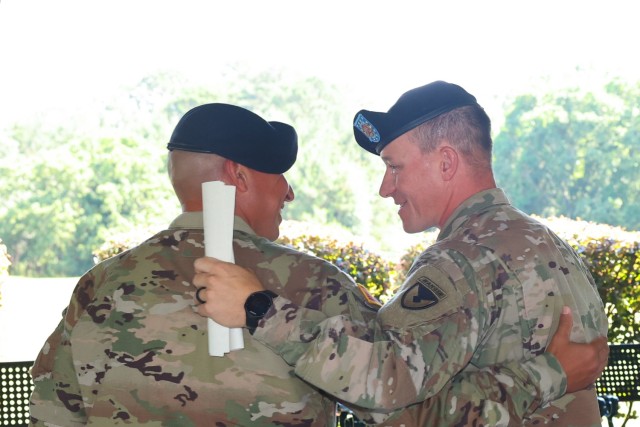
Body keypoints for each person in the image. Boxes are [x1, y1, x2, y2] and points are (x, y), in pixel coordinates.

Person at [27, 102, 592, 427]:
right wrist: (551, 375)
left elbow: (53, 408)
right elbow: (393, 403)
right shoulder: (314, 283)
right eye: (280, 174)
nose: (290, 193)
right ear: (240, 178)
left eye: (394, 165)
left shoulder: (96, 287)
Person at [194, 81, 610, 426]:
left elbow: (385, 393)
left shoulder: (461, 260)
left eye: (395, 167)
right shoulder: (544, 242)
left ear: (446, 162)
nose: (385, 187)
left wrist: (259, 309)